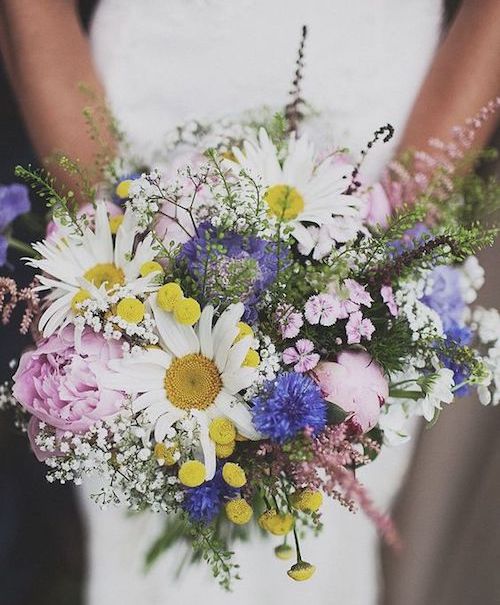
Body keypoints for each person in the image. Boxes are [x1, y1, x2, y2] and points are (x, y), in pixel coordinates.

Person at [1, 1, 499, 604]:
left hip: (379, 122)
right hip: (139, 101)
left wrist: (385, 250)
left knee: (327, 533)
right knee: (135, 530)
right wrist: (107, 238)